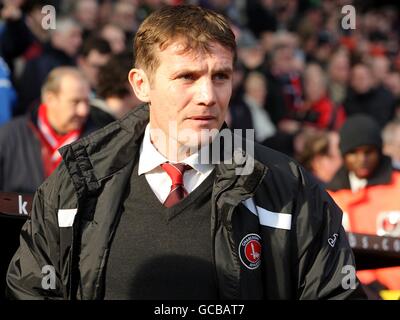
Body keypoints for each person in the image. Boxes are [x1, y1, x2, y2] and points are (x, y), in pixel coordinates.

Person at [6, 5, 365, 300]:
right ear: (141, 84)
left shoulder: (291, 190)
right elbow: (30, 289)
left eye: (221, 76)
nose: (208, 95)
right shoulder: (75, 182)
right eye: (187, 77)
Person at [327, 114, 400, 295]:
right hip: (352, 292)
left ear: (379, 151)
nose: (362, 159)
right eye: (354, 152)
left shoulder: (397, 186)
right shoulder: (329, 196)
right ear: (344, 155)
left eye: (368, 151)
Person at [0, 66, 98, 194]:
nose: (83, 111)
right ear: (50, 99)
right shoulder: (10, 135)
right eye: (75, 102)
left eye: (87, 102)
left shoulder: (97, 140)